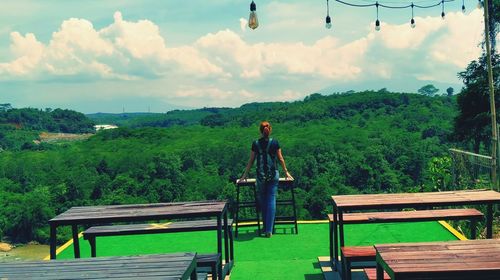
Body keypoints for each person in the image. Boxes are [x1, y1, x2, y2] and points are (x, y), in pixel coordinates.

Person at [238, 121, 293, 238]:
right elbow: (281, 159)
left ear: (260, 131)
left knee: (263, 201)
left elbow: (251, 161)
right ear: (270, 130)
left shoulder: (255, 143)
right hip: (273, 175)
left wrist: (244, 175)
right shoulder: (275, 143)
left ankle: (265, 227)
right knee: (271, 200)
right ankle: (269, 229)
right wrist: (286, 172)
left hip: (260, 176)